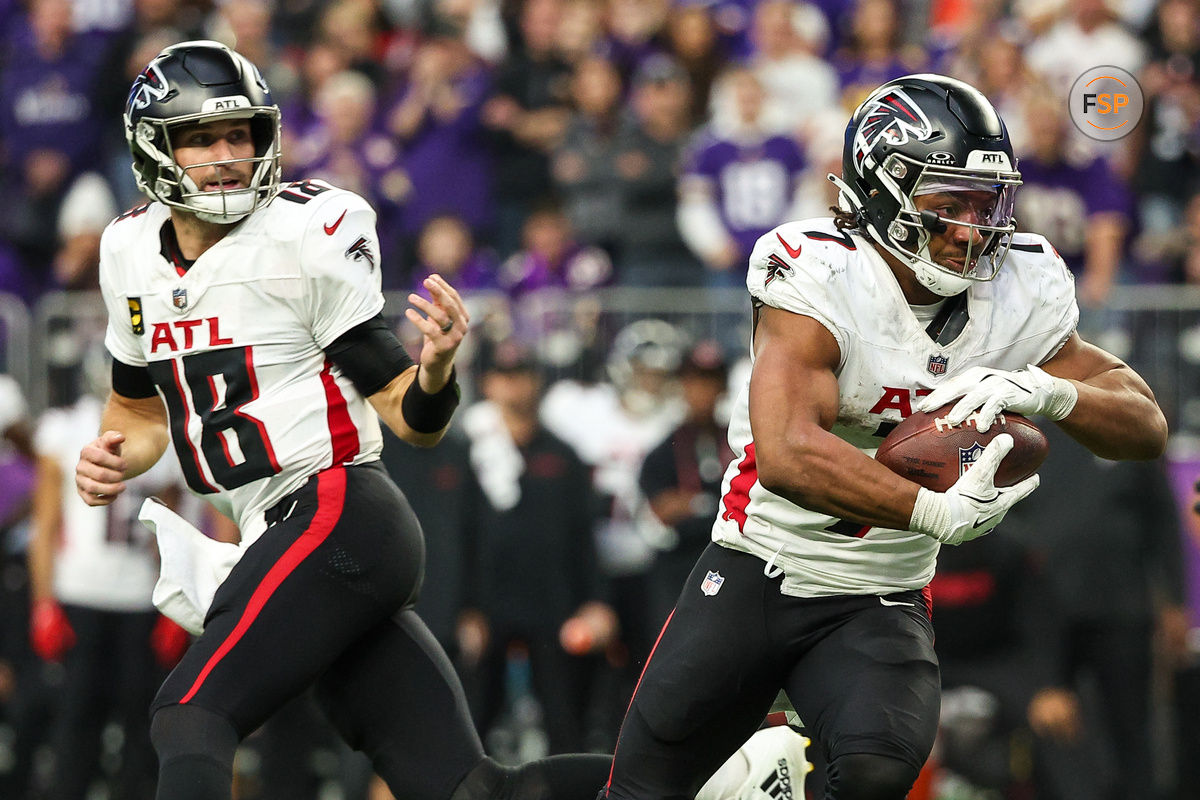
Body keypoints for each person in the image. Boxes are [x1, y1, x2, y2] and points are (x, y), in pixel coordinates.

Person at [598, 73, 1168, 800]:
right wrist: (932, 512)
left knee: (878, 767)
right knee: (642, 789)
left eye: (985, 203)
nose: (973, 228)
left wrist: (1051, 391)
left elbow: (1145, 426)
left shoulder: (1019, 289)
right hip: (761, 568)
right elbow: (786, 452)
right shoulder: (821, 272)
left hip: (882, 593)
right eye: (948, 202)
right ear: (882, 191)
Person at [72, 40, 610, 800]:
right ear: (154, 147)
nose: (227, 155)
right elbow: (136, 403)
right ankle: (720, 780)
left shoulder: (305, 230)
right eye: (201, 137)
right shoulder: (128, 250)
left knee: (189, 714)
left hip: (334, 511)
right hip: (286, 533)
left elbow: (409, 416)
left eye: (240, 135)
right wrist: (116, 454)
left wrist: (434, 372)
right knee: (472, 790)